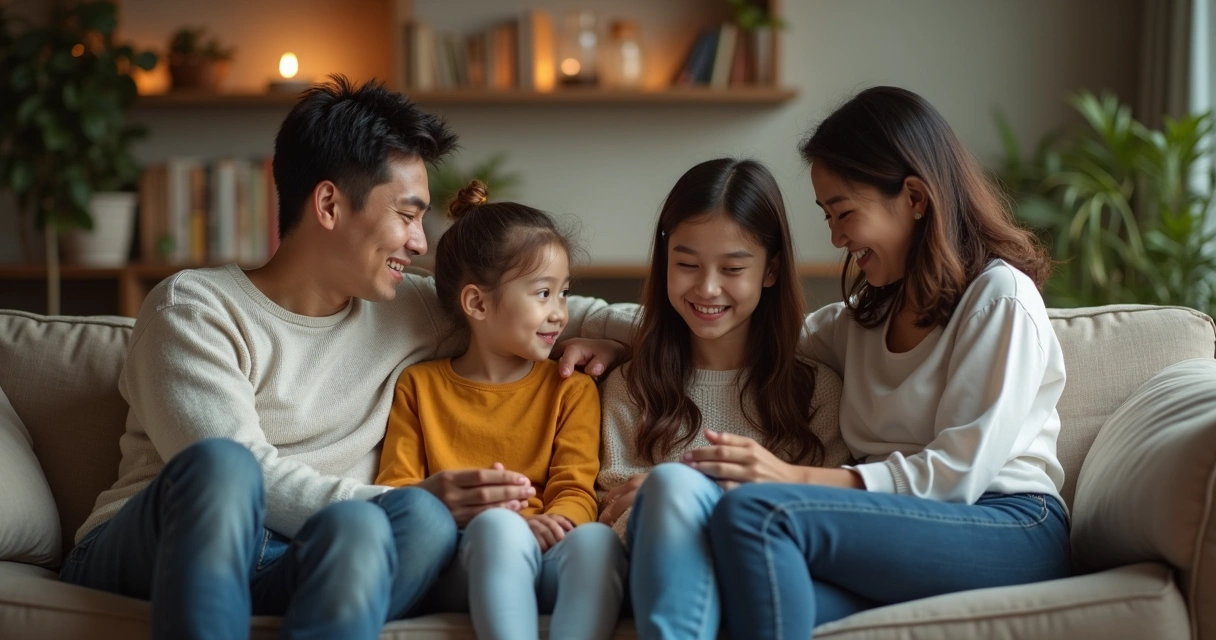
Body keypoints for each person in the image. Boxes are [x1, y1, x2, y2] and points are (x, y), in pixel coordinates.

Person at [58, 76, 636, 640]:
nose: (419, 242)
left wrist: (629, 340)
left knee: (419, 522)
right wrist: (403, 497)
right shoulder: (195, 307)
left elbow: (548, 305)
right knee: (227, 469)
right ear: (330, 204)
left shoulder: (411, 306)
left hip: (322, 554)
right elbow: (245, 475)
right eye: (407, 216)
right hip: (165, 546)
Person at [699, 86, 1071, 640]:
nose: (835, 236)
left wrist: (793, 478)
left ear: (915, 197)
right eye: (827, 215)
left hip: (1010, 524)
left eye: (844, 212)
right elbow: (741, 331)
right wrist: (610, 337)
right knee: (747, 594)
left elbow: (955, 475)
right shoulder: (863, 322)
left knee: (759, 512)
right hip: (903, 532)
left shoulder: (1000, 298)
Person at [595, 158, 854, 640]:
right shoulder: (631, 387)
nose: (707, 287)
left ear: (771, 269)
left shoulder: (816, 391)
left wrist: (688, 491)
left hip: (763, 581)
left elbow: (823, 526)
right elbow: (613, 516)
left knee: (672, 485)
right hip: (652, 578)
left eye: (732, 268)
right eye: (686, 264)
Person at [376, 180, 626, 640]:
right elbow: (400, 490)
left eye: (564, 292)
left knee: (597, 542)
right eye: (543, 293)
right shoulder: (419, 387)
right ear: (477, 302)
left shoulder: (570, 389)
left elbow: (577, 484)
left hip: (548, 550)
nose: (560, 313)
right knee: (499, 529)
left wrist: (562, 522)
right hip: (461, 559)